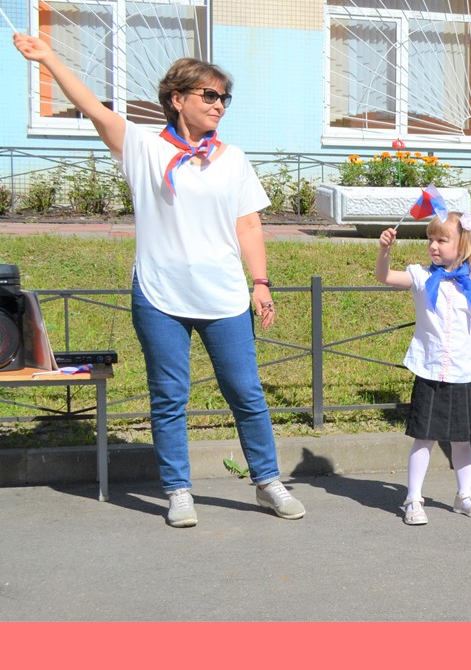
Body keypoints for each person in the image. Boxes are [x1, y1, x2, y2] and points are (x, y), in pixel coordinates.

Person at [11, 32, 305, 528]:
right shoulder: (144, 148)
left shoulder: (232, 159)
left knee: (246, 392)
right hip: (160, 295)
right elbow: (94, 109)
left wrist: (261, 282)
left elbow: (249, 225)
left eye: (224, 97)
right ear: (177, 99)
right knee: (169, 396)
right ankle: (178, 490)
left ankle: (267, 481)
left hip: (225, 297)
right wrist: (49, 58)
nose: (219, 105)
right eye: (209, 95)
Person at [376, 214, 471, 525]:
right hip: (430, 370)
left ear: (463, 245)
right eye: (431, 239)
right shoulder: (421, 277)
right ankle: (413, 499)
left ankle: (464, 496)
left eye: (442, 240)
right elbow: (384, 276)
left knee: (462, 439)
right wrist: (384, 251)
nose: (433, 245)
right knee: (423, 438)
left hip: (464, 372)